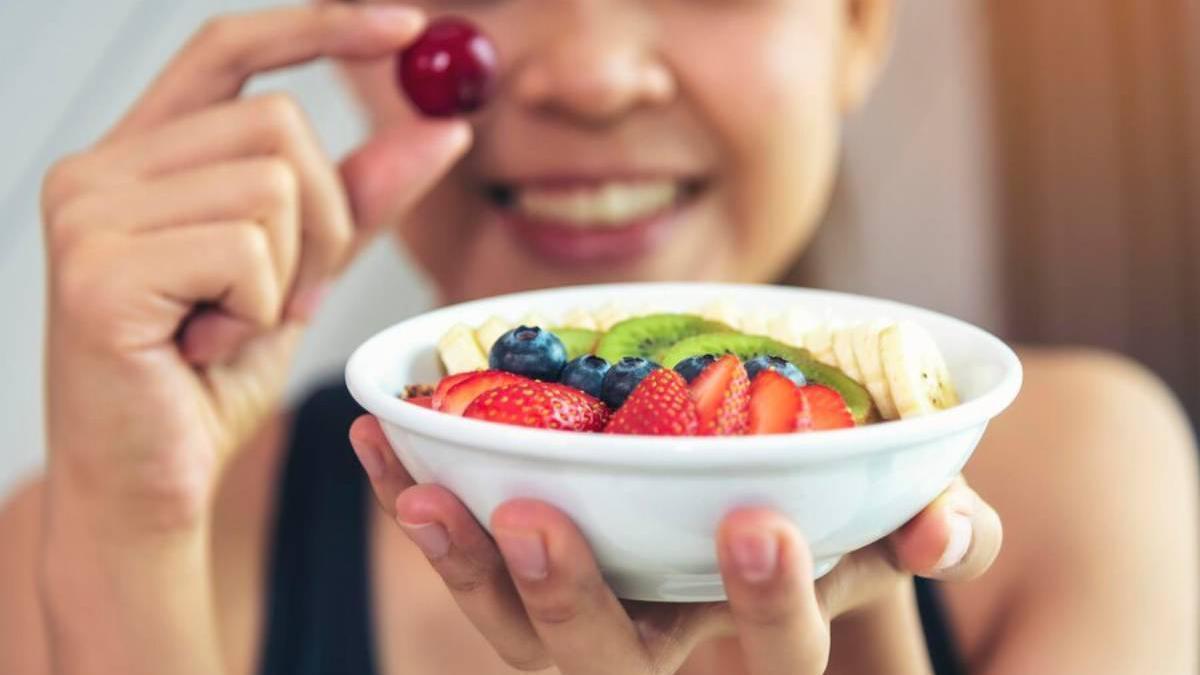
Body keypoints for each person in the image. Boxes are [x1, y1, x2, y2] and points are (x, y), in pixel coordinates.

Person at [1, 2, 1196, 673]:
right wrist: (126, 529)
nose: (591, 73)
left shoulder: (1091, 483)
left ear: (859, 28)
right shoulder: (84, 541)